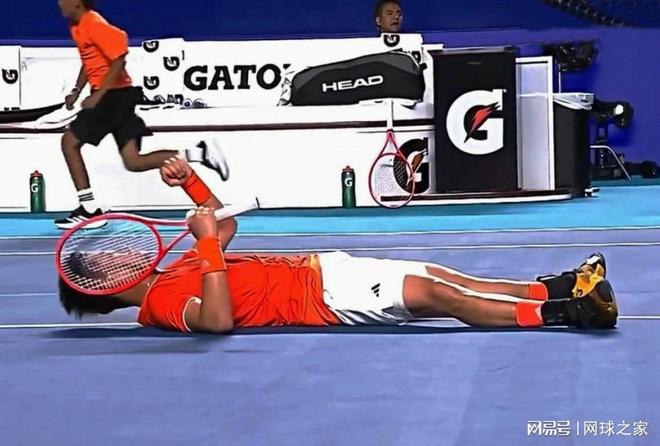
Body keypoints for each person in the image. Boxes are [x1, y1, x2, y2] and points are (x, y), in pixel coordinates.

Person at [57, 155, 618, 333]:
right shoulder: (160, 305)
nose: (118, 251)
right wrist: (205, 249)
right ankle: (567, 313)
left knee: (446, 277)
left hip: (322, 268)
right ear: (103, 286)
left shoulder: (177, 269)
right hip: (322, 300)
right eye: (105, 259)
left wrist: (192, 185)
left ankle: (557, 286)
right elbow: (217, 319)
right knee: (438, 296)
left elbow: (220, 229)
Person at [55, 0, 227, 229]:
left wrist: (99, 95)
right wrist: (77, 91)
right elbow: (90, 62)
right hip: (117, 96)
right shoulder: (77, 27)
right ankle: (198, 153)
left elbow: (119, 57)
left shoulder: (93, 23)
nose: (59, 3)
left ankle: (89, 209)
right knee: (133, 161)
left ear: (77, 3)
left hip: (112, 96)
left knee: (69, 142)